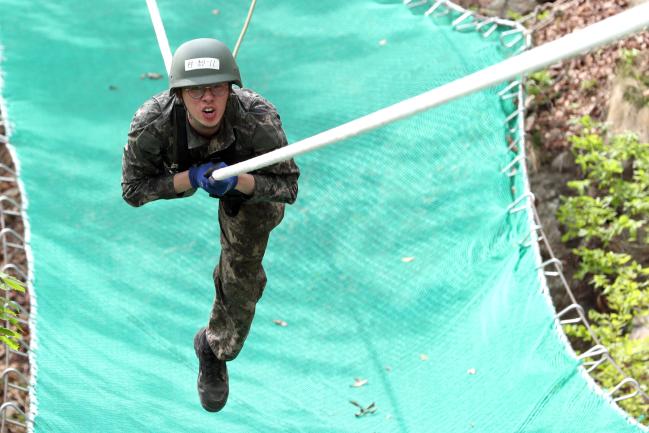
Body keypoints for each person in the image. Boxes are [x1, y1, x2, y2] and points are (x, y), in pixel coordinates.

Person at [121, 38, 299, 412]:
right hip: (181, 171)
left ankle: (212, 348)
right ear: (179, 95)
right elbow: (133, 190)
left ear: (230, 89)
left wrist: (240, 183)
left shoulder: (257, 118)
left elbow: (287, 186)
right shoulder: (152, 123)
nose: (208, 100)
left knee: (245, 285)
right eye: (197, 90)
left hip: (246, 192)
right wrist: (189, 180)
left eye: (217, 88)